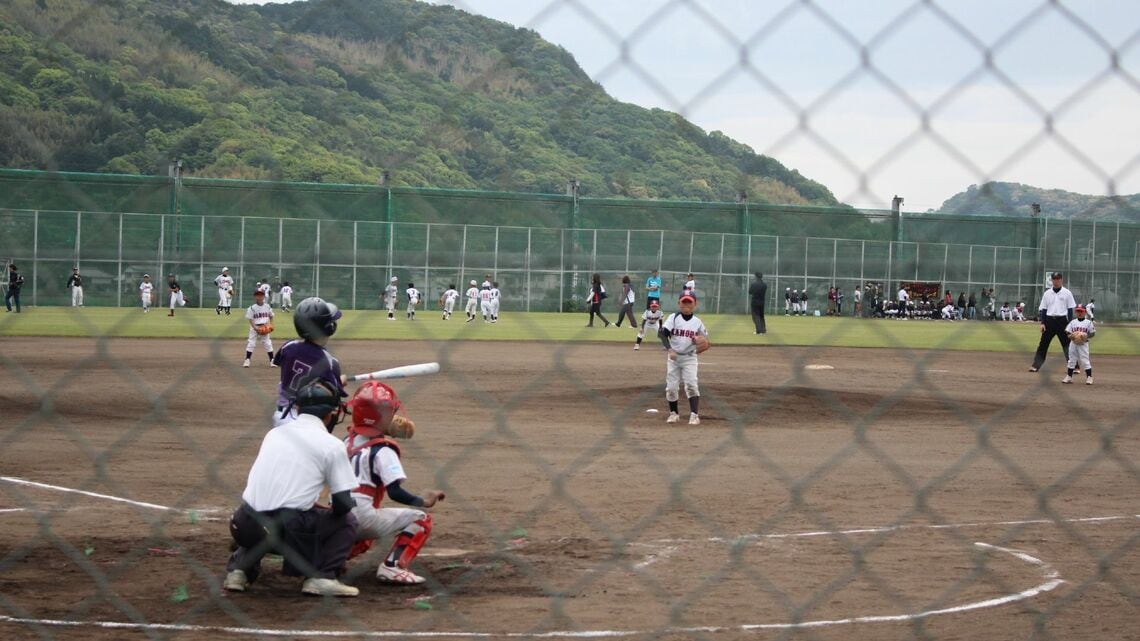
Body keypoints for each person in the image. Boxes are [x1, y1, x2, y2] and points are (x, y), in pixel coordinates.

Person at [222, 378, 360, 597]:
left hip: (243, 523)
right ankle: (323, 577)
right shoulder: (332, 445)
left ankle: (239, 571)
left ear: (297, 407)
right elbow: (343, 504)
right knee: (348, 521)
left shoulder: (274, 434)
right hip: (291, 530)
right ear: (330, 414)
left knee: (264, 513)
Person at [343, 382, 445, 585]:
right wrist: (423, 501)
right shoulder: (383, 450)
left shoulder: (345, 442)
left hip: (335, 514)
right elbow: (395, 492)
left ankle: (332, 560)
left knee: (365, 536)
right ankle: (393, 566)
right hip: (363, 516)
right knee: (421, 519)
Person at [271, 297, 348, 427]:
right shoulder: (329, 362)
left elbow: (284, 362)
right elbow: (334, 396)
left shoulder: (288, 347)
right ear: (329, 328)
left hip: (281, 415)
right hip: (305, 420)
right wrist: (340, 381)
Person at [660, 292, 710, 425]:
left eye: (689, 302)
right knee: (671, 387)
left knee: (692, 385)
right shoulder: (674, 318)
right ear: (679, 303)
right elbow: (663, 334)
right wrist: (670, 349)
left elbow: (706, 343)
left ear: (695, 304)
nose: (686, 305)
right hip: (674, 358)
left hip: (689, 358)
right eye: (684, 302)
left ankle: (694, 415)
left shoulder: (698, 322)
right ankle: (674, 414)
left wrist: (700, 342)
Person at [1029, 271, 1076, 373]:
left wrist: (1070, 324)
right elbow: (1044, 309)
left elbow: (1070, 310)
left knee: (1067, 344)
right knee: (1043, 344)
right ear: (1052, 280)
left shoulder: (1067, 293)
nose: (1056, 281)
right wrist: (1042, 323)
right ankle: (1036, 365)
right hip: (1049, 321)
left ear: (1061, 280)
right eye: (1054, 279)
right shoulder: (1047, 293)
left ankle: (1074, 366)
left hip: (1062, 321)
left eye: (1058, 279)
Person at [1062, 305, 1096, 385]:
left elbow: (1093, 333)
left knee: (1085, 360)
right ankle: (1069, 377)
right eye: (1078, 311)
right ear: (1075, 312)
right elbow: (1067, 331)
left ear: (1085, 312)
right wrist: (1071, 335)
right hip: (1073, 343)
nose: (1079, 313)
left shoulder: (1088, 323)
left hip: (1083, 344)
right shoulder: (1073, 322)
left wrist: (1086, 336)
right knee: (1071, 360)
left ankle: (1089, 377)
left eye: (1081, 311)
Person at [243, 289, 276, 368]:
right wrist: (255, 328)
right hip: (255, 327)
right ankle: (247, 360)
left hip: (265, 326)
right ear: (255, 297)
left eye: (261, 295)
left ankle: (272, 360)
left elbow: (271, 316)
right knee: (251, 343)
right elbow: (250, 319)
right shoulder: (252, 308)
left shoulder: (267, 306)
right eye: (257, 295)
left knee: (268, 343)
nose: (259, 297)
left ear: (264, 296)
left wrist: (271, 325)